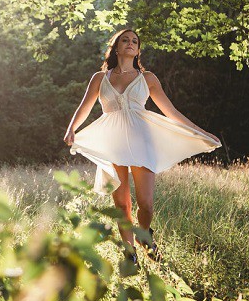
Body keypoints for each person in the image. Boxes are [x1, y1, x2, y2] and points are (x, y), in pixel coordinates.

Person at [63, 28, 221, 265]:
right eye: (124, 40)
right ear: (116, 47)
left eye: (134, 41)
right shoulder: (100, 78)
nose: (129, 43)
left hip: (142, 142)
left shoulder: (148, 79)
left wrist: (200, 132)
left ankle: (145, 236)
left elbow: (171, 112)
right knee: (121, 203)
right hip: (112, 143)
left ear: (138, 50)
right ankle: (130, 253)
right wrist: (72, 127)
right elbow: (84, 107)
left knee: (145, 204)